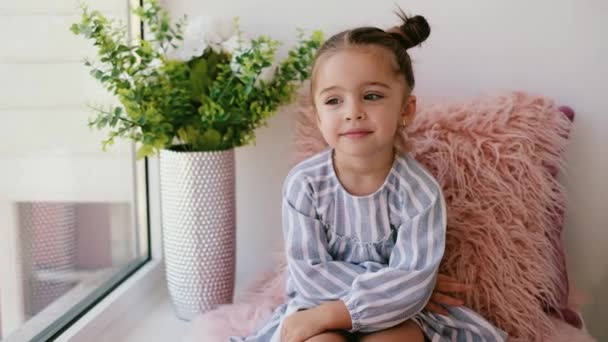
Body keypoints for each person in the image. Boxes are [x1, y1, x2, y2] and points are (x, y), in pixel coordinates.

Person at [231, 10, 507, 342]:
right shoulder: (305, 185)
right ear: (318, 118)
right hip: (317, 308)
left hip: (399, 317)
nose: (352, 112)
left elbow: (411, 281)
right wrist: (391, 287)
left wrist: (404, 291)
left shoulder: (419, 192)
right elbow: (309, 275)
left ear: (405, 111)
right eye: (334, 100)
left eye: (372, 96)